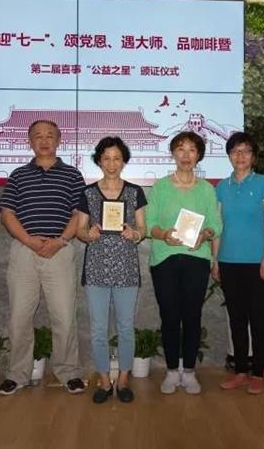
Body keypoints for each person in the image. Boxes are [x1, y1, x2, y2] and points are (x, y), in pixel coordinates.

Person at [0, 120, 86, 396]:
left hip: (60, 251)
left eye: (49, 136)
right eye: (38, 136)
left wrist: (60, 241)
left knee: (64, 316)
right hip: (24, 252)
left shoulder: (72, 175)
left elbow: (79, 215)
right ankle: (17, 374)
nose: (44, 141)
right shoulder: (18, 175)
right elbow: (7, 214)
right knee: (19, 317)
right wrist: (29, 241)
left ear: (59, 140)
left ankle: (69, 372)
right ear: (29, 141)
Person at [146, 131, 222, 395]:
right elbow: (150, 224)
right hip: (164, 259)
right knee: (169, 316)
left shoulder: (206, 189)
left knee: (192, 316)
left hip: (196, 258)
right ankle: (170, 371)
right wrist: (164, 234)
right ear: (173, 154)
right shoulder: (160, 187)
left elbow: (215, 223)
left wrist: (205, 234)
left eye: (191, 149)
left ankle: (189, 371)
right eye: (180, 149)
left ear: (199, 155)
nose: (186, 155)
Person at [76, 137, 147, 404]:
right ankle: (105, 381)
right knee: (98, 328)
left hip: (126, 267)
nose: (112, 163)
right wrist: (88, 234)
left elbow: (143, 229)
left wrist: (134, 234)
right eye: (106, 158)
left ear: (124, 161)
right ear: (98, 161)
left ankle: (124, 379)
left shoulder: (135, 192)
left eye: (117, 158)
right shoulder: (88, 193)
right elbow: (79, 229)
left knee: (126, 327)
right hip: (96, 268)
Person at [213, 132, 264, 395]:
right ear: (229, 156)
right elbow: (218, 227)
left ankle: (258, 373)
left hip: (256, 263)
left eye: (246, 151)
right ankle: (240, 371)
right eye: (235, 151)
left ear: (253, 156)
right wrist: (215, 261)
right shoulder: (222, 187)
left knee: (259, 321)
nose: (240, 156)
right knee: (236, 320)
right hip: (228, 262)